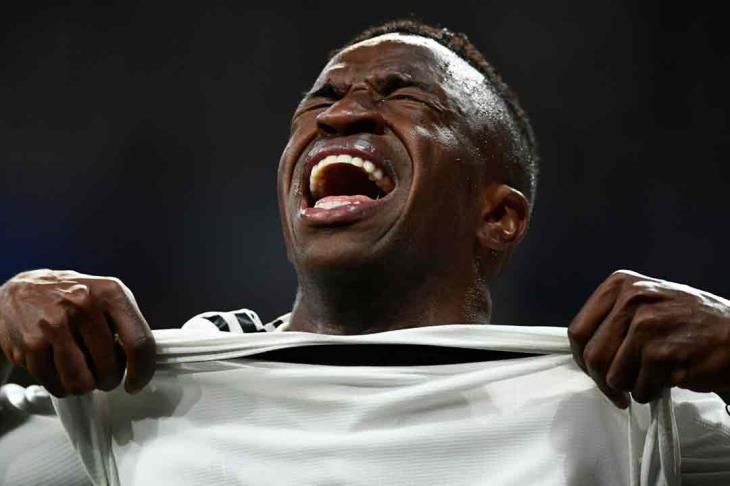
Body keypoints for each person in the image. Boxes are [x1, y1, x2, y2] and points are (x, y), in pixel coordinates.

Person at [1, 18, 729, 480]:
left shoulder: (616, 406)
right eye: (318, 102)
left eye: (405, 97)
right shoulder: (142, 396)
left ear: (499, 218)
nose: (343, 114)